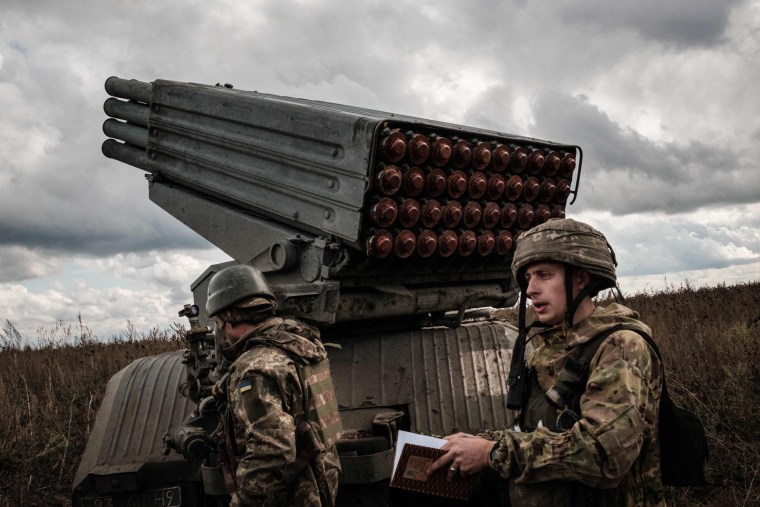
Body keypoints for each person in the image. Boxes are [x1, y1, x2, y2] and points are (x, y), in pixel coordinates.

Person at [426, 218, 664, 506]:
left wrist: (493, 452)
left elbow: (605, 454)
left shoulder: (621, 345)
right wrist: (477, 442)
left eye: (544, 275)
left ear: (581, 278)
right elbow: (538, 431)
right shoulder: (547, 349)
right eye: (527, 279)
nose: (531, 289)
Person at [207, 264, 342, 507]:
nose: (221, 331)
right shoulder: (301, 345)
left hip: (289, 495)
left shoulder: (255, 367)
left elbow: (272, 450)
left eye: (218, 321)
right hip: (322, 478)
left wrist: (244, 500)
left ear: (229, 316)